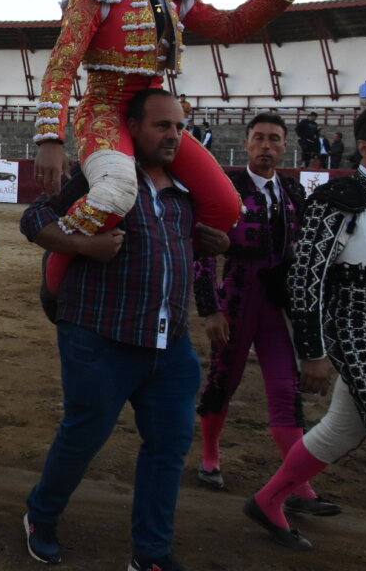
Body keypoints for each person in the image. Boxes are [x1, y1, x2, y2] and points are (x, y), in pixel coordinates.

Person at [32, 0, 312, 293]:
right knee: (114, 192)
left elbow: (230, 27)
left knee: (226, 206)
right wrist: (50, 137)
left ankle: (161, 252)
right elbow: (62, 66)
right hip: (105, 110)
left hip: (158, 114)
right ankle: (60, 273)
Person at [20, 89, 230, 571]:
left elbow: (186, 252)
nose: (174, 135)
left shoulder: (186, 190)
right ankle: (41, 514)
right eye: (162, 126)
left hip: (170, 344)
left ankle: (151, 553)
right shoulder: (102, 177)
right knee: (84, 438)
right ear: (132, 128)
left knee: (169, 447)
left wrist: (215, 245)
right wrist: (85, 246)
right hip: (99, 335)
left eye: (179, 127)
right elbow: (34, 220)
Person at [245, 104, 366, 562]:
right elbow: (306, 278)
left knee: (343, 429)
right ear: (365, 146)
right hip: (360, 336)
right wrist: (314, 353)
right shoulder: (337, 199)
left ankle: (266, 500)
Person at [193, 114, 339, 513]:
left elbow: (305, 253)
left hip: (277, 305)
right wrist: (210, 309)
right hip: (237, 300)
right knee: (223, 380)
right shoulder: (227, 190)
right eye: (259, 138)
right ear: (246, 144)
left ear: (284, 146)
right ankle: (210, 456)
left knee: (285, 388)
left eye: (274, 139)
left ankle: (298, 484)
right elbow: (204, 251)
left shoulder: (292, 192)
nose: (266, 146)